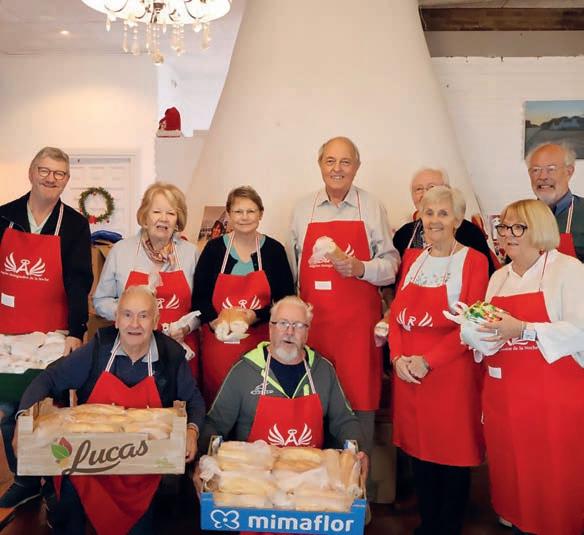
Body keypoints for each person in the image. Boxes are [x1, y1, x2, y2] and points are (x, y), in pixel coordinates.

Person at [16, 285, 205, 535]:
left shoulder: (170, 356)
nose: (134, 324)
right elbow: (49, 378)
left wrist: (192, 431)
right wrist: (23, 418)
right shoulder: (98, 349)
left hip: (143, 469)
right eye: (127, 314)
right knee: (68, 504)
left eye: (143, 315)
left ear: (156, 320)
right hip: (88, 464)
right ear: (116, 319)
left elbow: (194, 400)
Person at [477, 199, 584, 535]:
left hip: (553, 401)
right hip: (504, 400)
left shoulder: (569, 270)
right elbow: (490, 335)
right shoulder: (498, 278)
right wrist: (474, 334)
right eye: (503, 227)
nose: (506, 234)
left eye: (517, 227)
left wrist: (524, 329)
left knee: (553, 484)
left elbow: (580, 331)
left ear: (539, 230)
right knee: (513, 480)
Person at [290, 136, 399, 456]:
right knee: (313, 408)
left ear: (357, 167)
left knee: (358, 412)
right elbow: (293, 271)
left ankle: (356, 481)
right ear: (320, 165)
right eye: (330, 161)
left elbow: (392, 266)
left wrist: (360, 268)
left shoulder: (372, 206)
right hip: (314, 331)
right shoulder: (302, 209)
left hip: (358, 334)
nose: (337, 169)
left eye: (345, 162)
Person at [389, 186, 488, 535]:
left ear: (458, 220)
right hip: (409, 373)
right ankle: (427, 524)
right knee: (419, 452)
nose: (434, 220)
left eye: (443, 213)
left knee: (452, 455)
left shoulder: (474, 261)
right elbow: (396, 316)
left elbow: (471, 324)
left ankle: (447, 527)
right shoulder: (413, 259)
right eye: (429, 213)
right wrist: (397, 357)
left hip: (450, 372)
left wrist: (427, 361)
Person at [0, 147, 93, 508]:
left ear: (67, 180)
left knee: (51, 411)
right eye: (44, 170)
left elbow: (79, 281)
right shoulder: (5, 216)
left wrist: (76, 331)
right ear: (31, 172)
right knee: (8, 409)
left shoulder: (74, 224)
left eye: (59, 173)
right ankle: (24, 479)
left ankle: (55, 485)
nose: (51, 178)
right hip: (8, 333)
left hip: (53, 334)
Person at [198, 295, 366, 455]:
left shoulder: (323, 370)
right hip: (255, 472)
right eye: (282, 323)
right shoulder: (243, 371)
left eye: (298, 325)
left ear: (307, 332)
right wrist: (205, 457)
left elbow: (345, 421)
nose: (289, 331)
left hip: (311, 472)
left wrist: (357, 451)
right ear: (271, 328)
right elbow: (215, 424)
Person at [192, 186, 294, 404]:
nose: (244, 217)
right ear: (229, 214)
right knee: (219, 404)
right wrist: (217, 323)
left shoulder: (274, 251)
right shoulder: (213, 250)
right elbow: (199, 299)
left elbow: (286, 302)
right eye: (238, 211)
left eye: (251, 211)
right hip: (218, 348)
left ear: (261, 214)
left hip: (261, 347)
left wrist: (255, 316)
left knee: (257, 402)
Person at [93, 183, 201, 378]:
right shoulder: (121, 251)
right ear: (144, 216)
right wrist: (128, 316)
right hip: (131, 351)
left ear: (178, 220)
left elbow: (201, 306)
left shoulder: (190, 253)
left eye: (171, 213)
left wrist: (186, 327)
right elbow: (101, 300)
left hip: (180, 351)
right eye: (156, 212)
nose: (163, 218)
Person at [393, 168, 496, 274]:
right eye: (419, 189)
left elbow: (487, 276)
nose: (425, 194)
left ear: (448, 191)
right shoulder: (403, 235)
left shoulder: (470, 233)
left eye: (431, 187)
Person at [526, 141, 584, 261]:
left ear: (569, 172)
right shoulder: (522, 216)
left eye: (551, 169)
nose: (543, 177)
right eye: (536, 170)